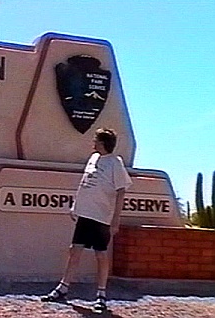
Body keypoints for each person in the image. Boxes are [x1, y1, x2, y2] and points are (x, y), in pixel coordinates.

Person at [41, 127, 132, 312]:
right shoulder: (93, 159)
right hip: (85, 214)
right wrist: (76, 206)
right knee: (74, 251)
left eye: (96, 140)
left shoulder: (115, 163)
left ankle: (101, 295)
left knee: (100, 255)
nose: (93, 143)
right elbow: (85, 183)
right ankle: (62, 289)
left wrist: (116, 219)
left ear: (104, 143)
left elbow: (121, 190)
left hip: (101, 217)